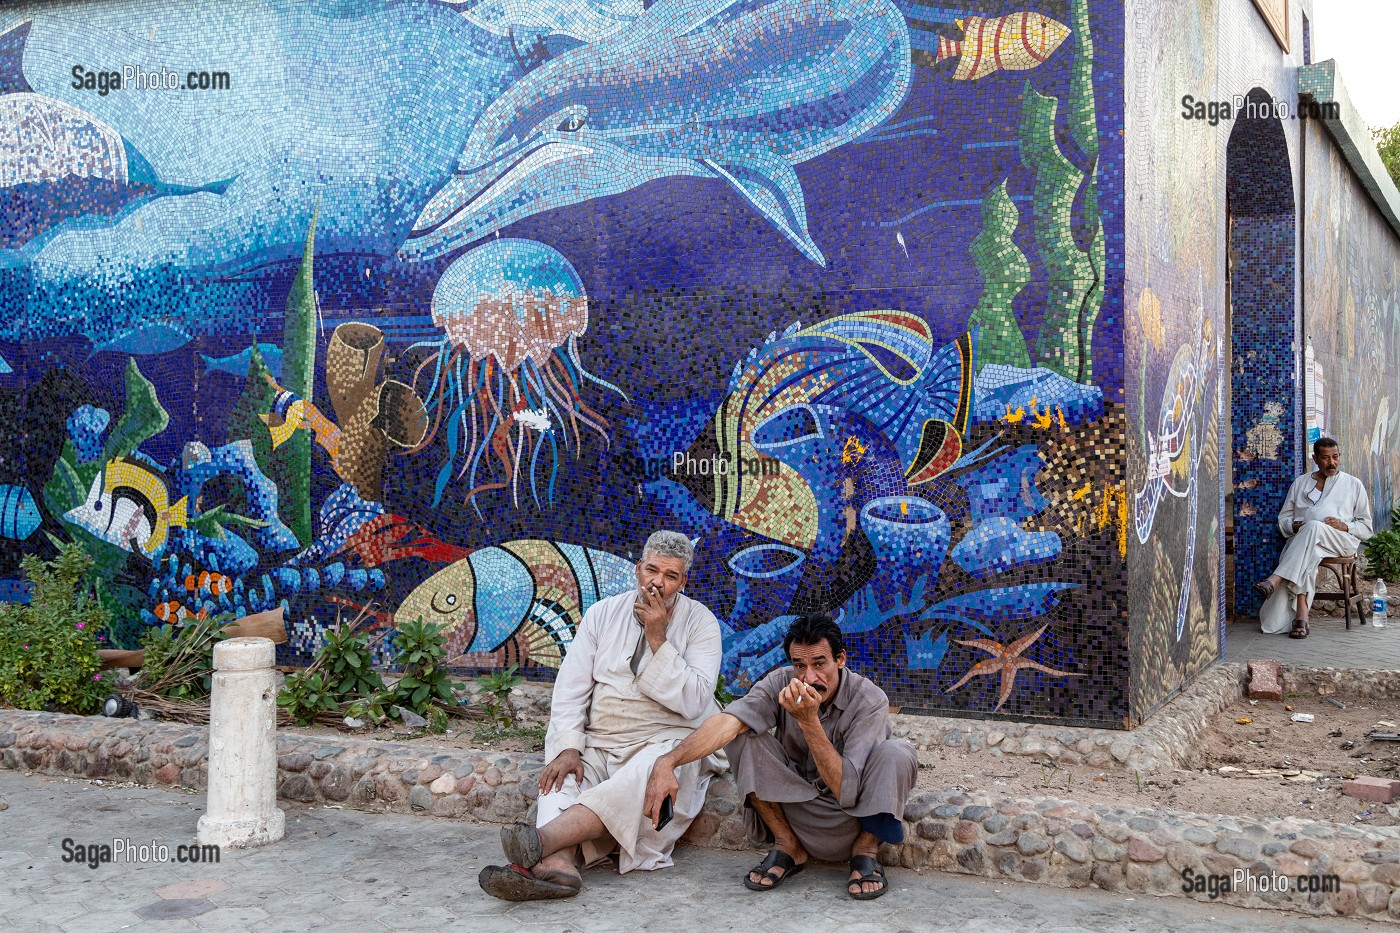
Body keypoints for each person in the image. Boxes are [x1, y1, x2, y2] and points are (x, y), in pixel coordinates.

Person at [478, 530, 725, 901]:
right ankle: (560, 868)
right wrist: (568, 747)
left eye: (670, 575)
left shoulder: (701, 624)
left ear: (683, 581)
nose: (658, 582)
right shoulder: (602, 614)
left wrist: (658, 637)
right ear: (638, 568)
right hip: (601, 740)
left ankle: (540, 842)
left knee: (646, 773)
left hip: (666, 741)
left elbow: (694, 701)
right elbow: (570, 689)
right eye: (652, 570)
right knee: (561, 779)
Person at [643, 614, 917, 900]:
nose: (808, 678)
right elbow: (727, 722)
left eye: (819, 664)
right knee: (742, 733)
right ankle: (788, 846)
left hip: (853, 818)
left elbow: (847, 792)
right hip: (795, 812)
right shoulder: (780, 682)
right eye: (800, 665)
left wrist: (808, 722)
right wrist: (668, 761)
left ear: (841, 659)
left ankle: (866, 851)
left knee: (897, 752)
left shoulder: (869, 700)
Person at [1255, 437, 1373, 638]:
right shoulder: (1301, 483)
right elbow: (1283, 520)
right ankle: (1301, 617)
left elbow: (1366, 527)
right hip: (1307, 542)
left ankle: (1275, 579)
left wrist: (1345, 525)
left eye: (1335, 457)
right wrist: (1296, 525)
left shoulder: (1353, 484)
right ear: (1315, 458)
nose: (1332, 462)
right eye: (1326, 458)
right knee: (1311, 549)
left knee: (1314, 529)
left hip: (1341, 541)